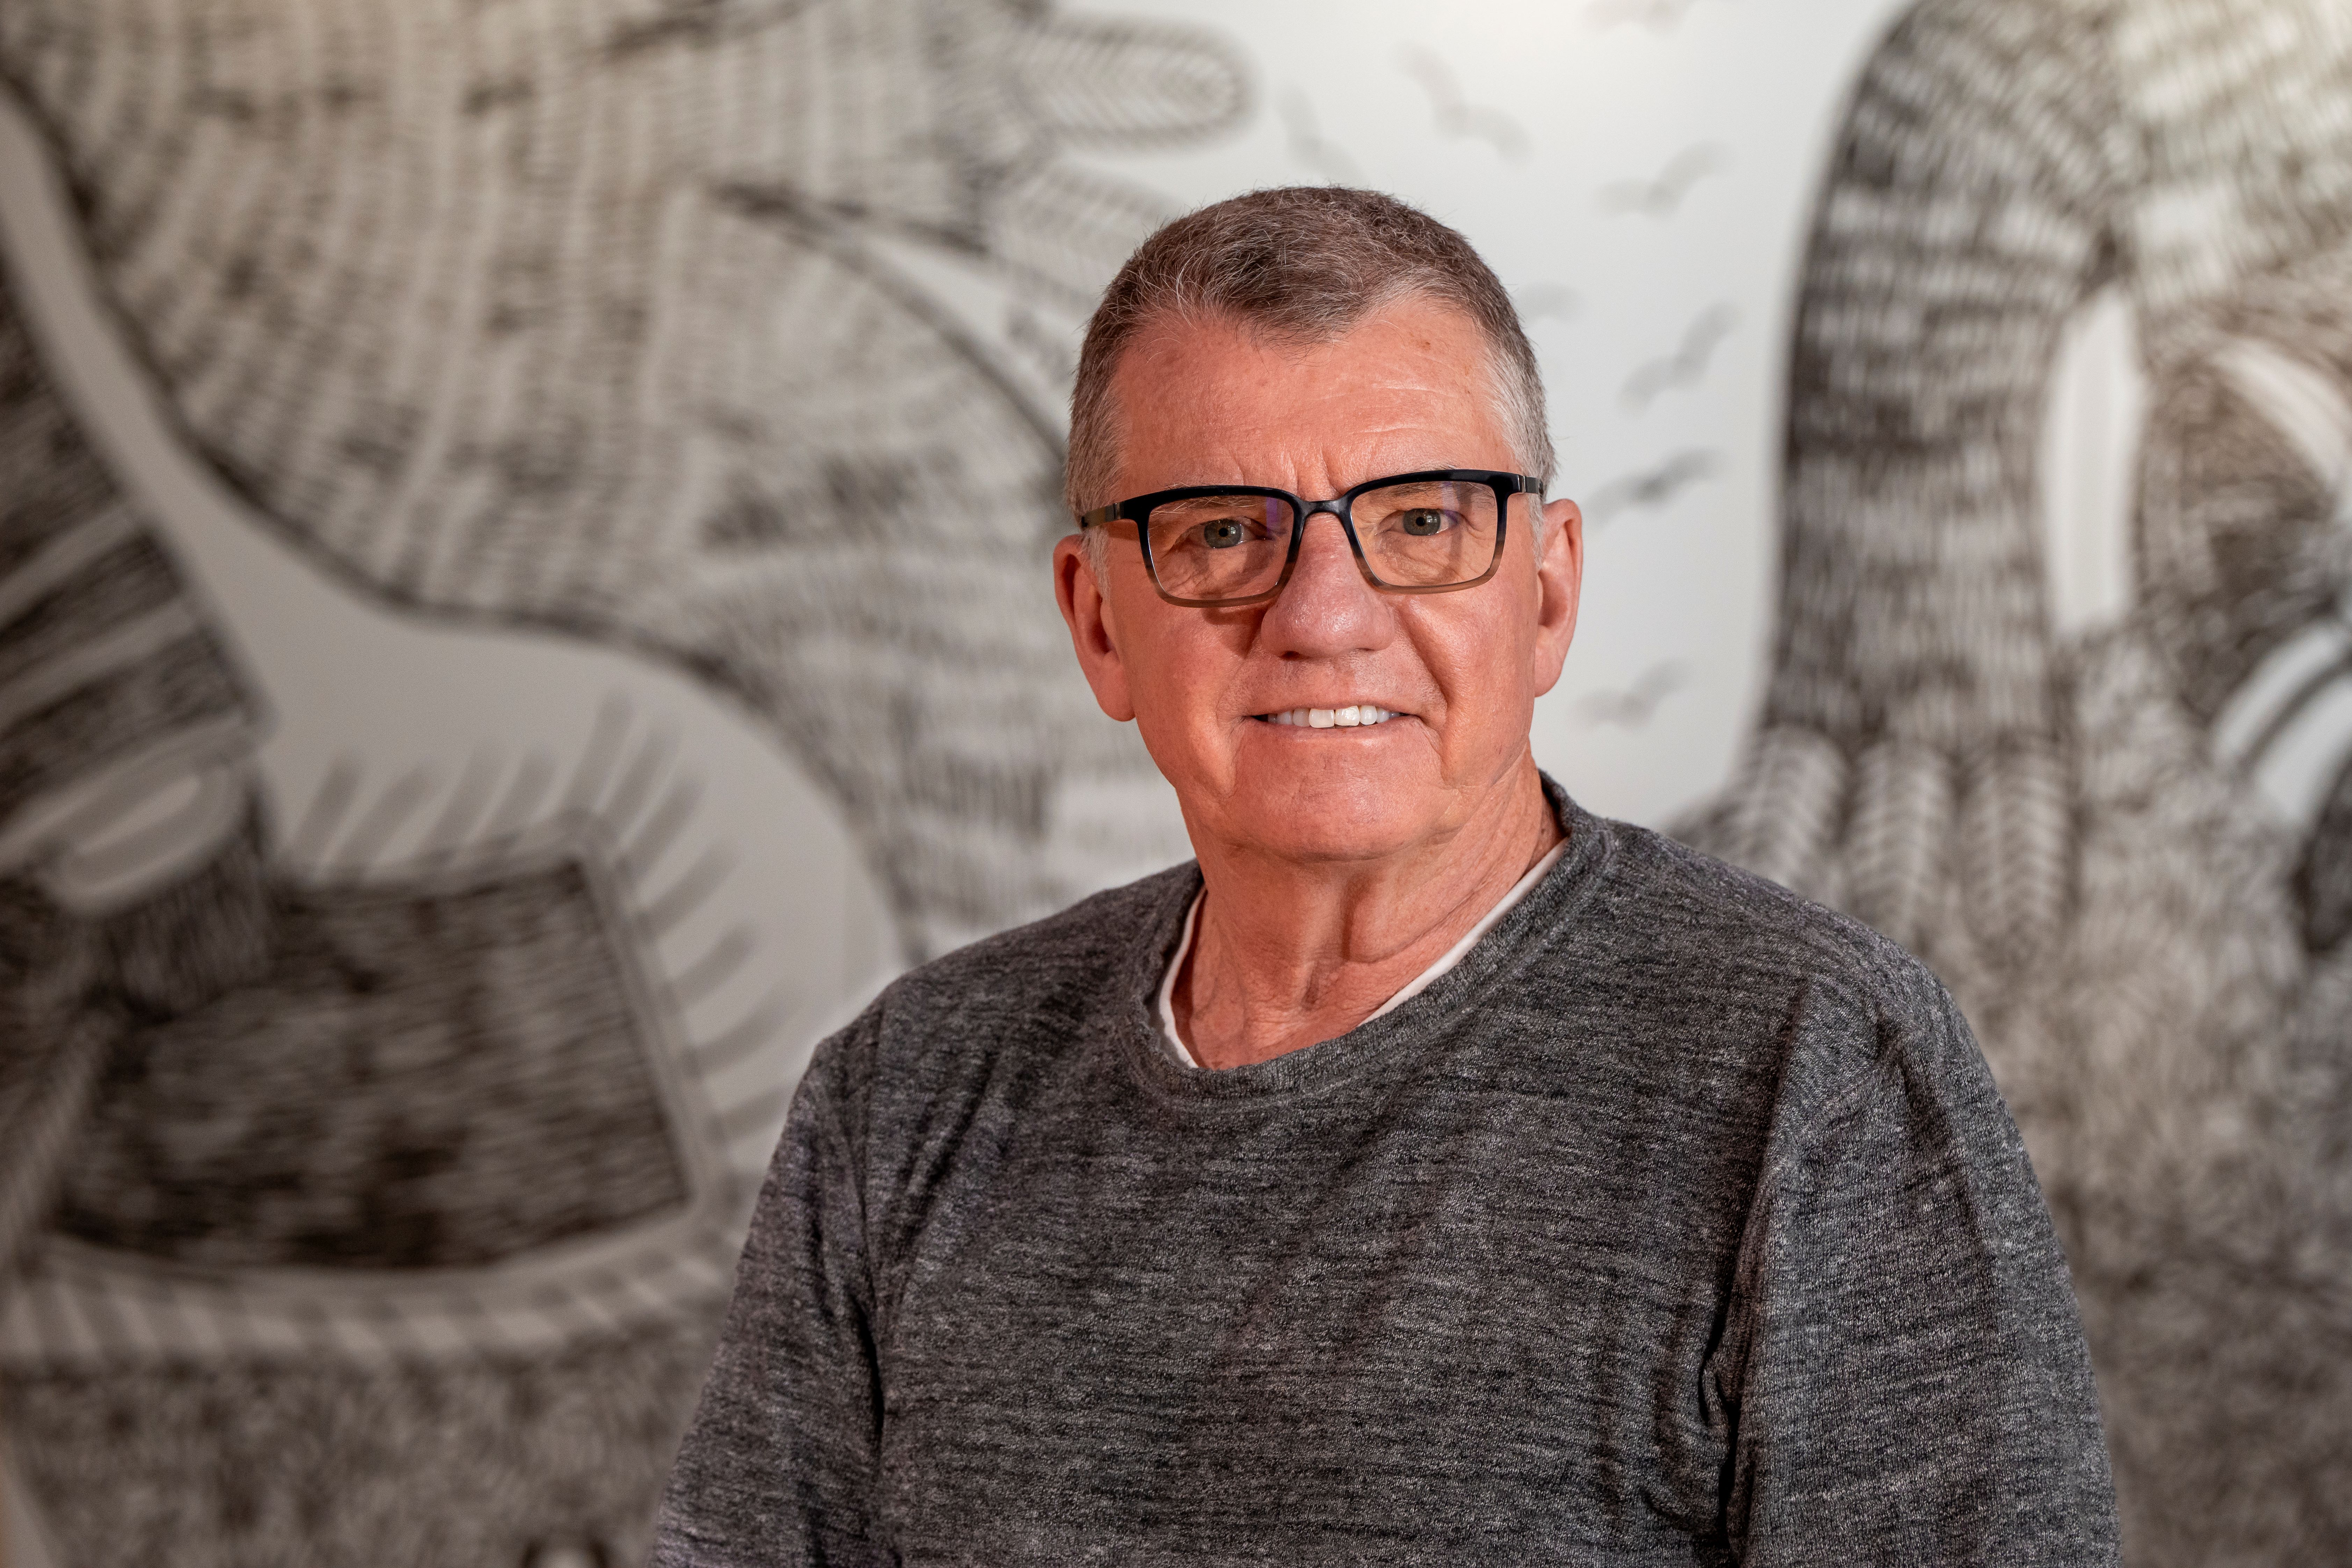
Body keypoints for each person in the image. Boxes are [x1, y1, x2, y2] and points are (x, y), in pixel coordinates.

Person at [649, 187, 2120, 1565]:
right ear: (1098, 623)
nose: (1325, 615)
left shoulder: (1817, 1073)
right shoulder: (905, 1094)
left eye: (1421, 522)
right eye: (1222, 533)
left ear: (1545, 596)